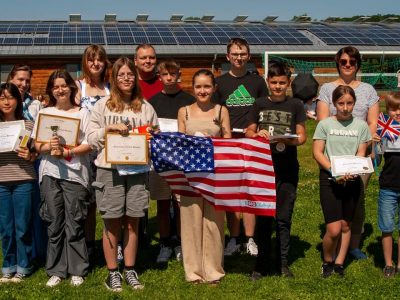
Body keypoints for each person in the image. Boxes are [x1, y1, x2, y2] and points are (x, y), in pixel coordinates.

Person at [87, 57, 158, 292]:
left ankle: (129, 270)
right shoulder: (102, 106)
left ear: (135, 77)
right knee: (112, 222)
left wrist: (152, 138)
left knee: (132, 222)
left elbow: (155, 137)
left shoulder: (145, 106)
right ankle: (112, 273)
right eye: (121, 75)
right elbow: (90, 138)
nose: (126, 78)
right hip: (109, 170)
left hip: (137, 171)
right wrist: (108, 129)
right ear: (114, 78)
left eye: (130, 74)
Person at [316, 46, 379, 260]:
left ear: (358, 64)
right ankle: (333, 245)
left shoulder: (368, 90)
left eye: (352, 62)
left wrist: (361, 148)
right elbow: (323, 121)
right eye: (344, 62)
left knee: (357, 201)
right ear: (338, 64)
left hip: (362, 153)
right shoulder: (326, 89)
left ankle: (353, 246)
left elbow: (372, 122)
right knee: (336, 200)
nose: (348, 65)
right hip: (334, 156)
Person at [246, 61, 306, 279]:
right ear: (268, 82)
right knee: (263, 217)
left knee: (283, 216)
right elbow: (249, 131)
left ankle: (282, 262)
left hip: (287, 168)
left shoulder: (296, 105)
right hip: (263, 169)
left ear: (288, 83)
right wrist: (257, 135)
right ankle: (261, 263)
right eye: (274, 82)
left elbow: (302, 137)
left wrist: (288, 140)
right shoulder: (259, 103)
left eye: (282, 82)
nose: (278, 86)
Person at [34, 70, 92, 287]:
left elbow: (89, 144)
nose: (60, 90)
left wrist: (68, 152)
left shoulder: (83, 113)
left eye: (64, 85)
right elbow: (36, 145)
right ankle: (56, 269)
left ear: (71, 88)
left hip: (75, 174)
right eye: (56, 86)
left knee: (75, 222)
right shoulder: (44, 112)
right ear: (51, 90)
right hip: (50, 173)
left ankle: (77, 268)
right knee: (54, 221)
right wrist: (50, 147)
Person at [213, 37, 268, 257]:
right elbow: (215, 114)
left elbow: (265, 109)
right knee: (232, 192)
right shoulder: (221, 83)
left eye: (242, 53)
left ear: (248, 56)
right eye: (234, 54)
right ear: (228, 57)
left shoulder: (257, 82)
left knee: (251, 190)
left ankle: (250, 239)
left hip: (252, 143)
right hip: (229, 144)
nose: (238, 57)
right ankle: (233, 239)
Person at [177, 69, 231, 284]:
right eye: (198, 86)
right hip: (190, 174)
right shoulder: (184, 112)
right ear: (193, 88)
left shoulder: (221, 111)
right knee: (190, 222)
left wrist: (214, 141)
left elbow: (228, 140)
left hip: (215, 174)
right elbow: (179, 144)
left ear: (214, 88)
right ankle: (193, 272)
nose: (202, 91)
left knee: (214, 222)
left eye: (207, 86)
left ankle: (213, 271)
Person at [313, 85, 371, 278]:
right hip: (329, 179)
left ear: (354, 103)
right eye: (341, 103)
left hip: (352, 180)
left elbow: (361, 153)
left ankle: (339, 263)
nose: (345, 108)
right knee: (334, 228)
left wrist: (353, 171)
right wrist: (334, 170)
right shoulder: (325, 125)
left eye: (349, 103)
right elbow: (317, 152)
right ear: (334, 104)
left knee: (346, 225)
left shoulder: (361, 126)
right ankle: (327, 260)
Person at [150, 59, 195, 264]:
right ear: (159, 77)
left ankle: (181, 242)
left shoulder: (188, 100)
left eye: (173, 74)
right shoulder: (151, 102)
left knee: (180, 204)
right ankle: (165, 242)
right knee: (162, 204)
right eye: (165, 75)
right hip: (159, 163)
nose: (169, 78)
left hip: (181, 163)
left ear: (179, 75)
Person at [7, 64, 47, 261]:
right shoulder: (3, 103)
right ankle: (18, 254)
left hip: (33, 162)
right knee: (12, 215)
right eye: (19, 79)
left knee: (35, 208)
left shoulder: (35, 106)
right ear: (10, 79)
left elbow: (40, 134)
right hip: (7, 167)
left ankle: (38, 250)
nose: (23, 84)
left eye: (27, 80)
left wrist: (33, 155)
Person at [75, 44, 111, 259]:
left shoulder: (110, 87)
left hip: (106, 153)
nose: (95, 63)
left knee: (108, 202)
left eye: (99, 59)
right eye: (91, 59)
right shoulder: (78, 87)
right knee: (87, 203)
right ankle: (88, 244)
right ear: (85, 63)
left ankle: (111, 242)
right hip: (84, 153)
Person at [0, 83, 37, 283]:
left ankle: (24, 265)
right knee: (5, 228)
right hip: (1, 182)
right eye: (2, 97)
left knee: (22, 226)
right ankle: (8, 266)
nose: (6, 102)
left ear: (17, 100)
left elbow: (35, 154)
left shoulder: (27, 126)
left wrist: (29, 154)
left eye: (10, 97)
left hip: (23, 180)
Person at [373, 92, 400, 278]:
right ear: (387, 110)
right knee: (387, 227)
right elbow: (376, 160)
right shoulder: (384, 132)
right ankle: (389, 264)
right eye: (393, 109)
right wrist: (374, 146)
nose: (397, 112)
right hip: (388, 187)